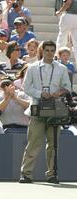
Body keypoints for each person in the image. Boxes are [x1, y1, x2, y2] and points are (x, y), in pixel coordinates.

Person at [19, 40, 72, 184]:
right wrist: (40, 93)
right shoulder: (33, 67)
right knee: (33, 143)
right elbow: (26, 87)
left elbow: (68, 87)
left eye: (51, 50)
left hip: (55, 110)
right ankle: (26, 174)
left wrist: (58, 92)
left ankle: (52, 174)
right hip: (37, 108)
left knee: (53, 144)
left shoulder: (61, 68)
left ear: (54, 52)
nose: (49, 53)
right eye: (47, 50)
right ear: (42, 51)